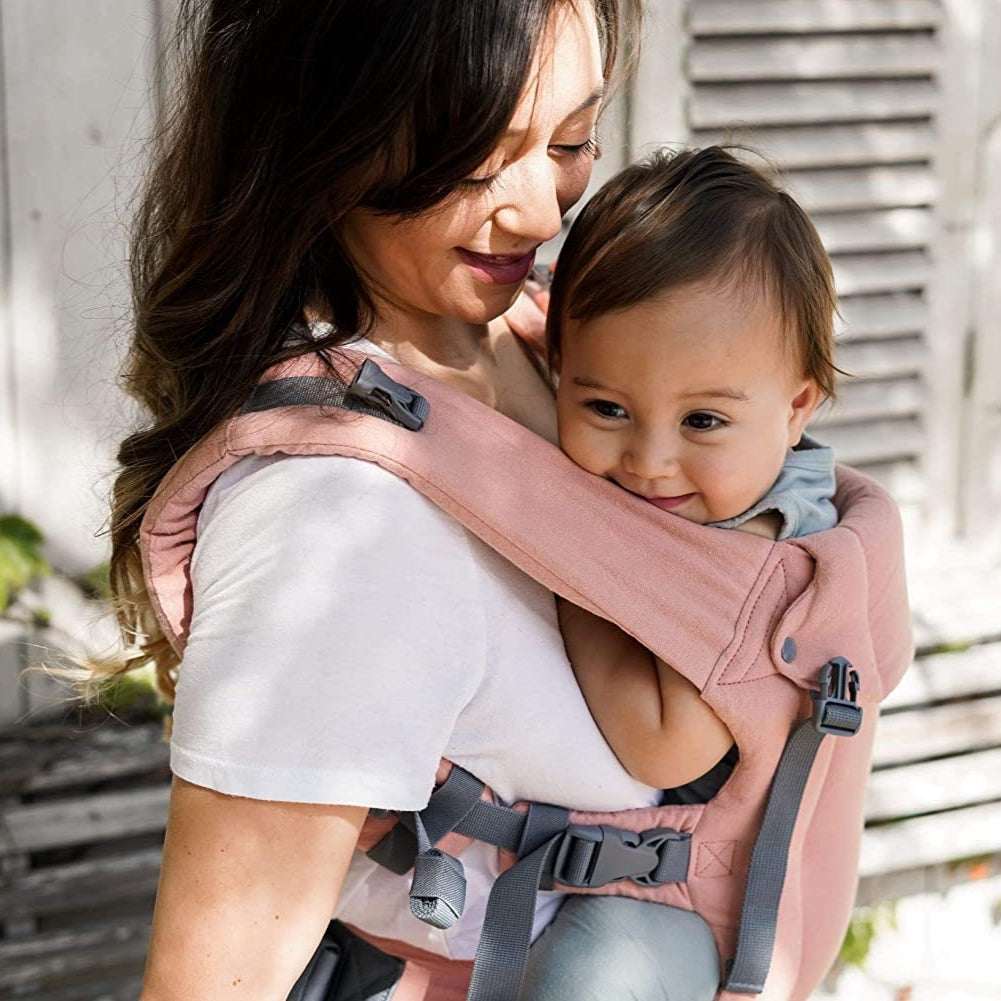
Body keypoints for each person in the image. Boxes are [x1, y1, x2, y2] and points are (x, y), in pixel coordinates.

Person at [95, 2, 728, 999]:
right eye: (475, 162)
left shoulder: (543, 342)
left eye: (572, 140)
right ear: (324, 131)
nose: (536, 212)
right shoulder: (331, 522)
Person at [516, 146, 840, 998]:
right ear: (556, 371)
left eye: (701, 419)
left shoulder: (762, 543)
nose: (650, 461)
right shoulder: (703, 485)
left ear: (795, 407)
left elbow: (664, 737)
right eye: (605, 407)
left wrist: (565, 562)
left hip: (678, 905)